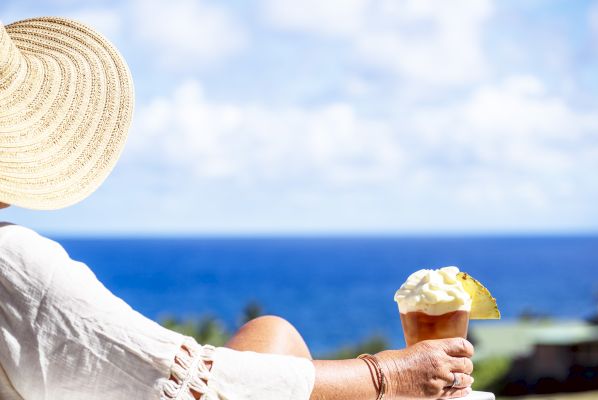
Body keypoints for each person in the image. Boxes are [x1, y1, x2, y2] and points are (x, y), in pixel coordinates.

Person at [0, 17, 474, 400]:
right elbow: (186, 380)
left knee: (271, 335)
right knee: (273, 342)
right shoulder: (12, 262)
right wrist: (387, 376)